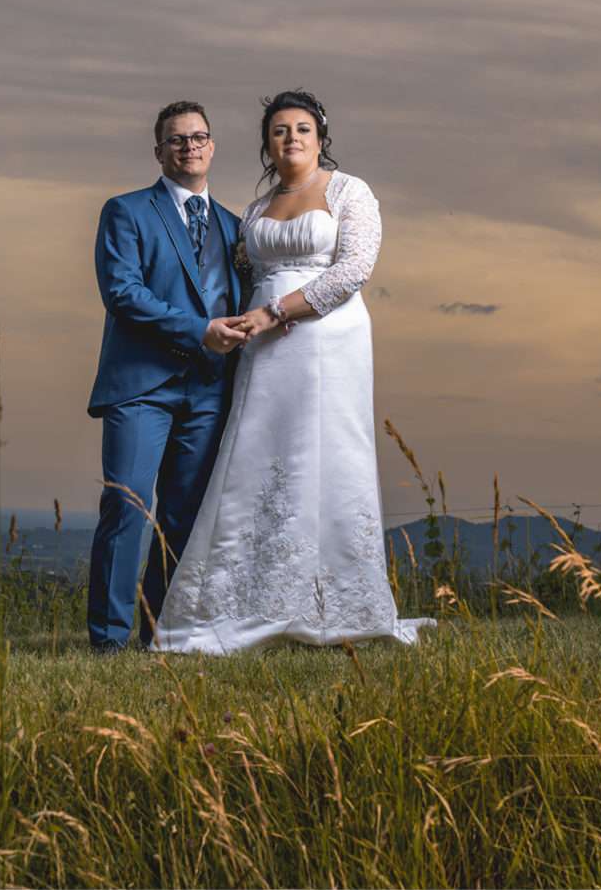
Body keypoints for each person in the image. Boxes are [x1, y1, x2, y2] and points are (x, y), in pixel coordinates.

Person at [151, 90, 436, 652]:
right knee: (259, 456)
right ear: (266, 143)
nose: (292, 139)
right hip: (264, 348)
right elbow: (236, 274)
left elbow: (354, 269)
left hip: (329, 340)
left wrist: (279, 309)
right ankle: (249, 600)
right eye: (279, 130)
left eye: (302, 129)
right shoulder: (255, 211)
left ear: (321, 136)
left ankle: (338, 601)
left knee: (327, 455)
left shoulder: (351, 192)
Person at [86, 100, 250, 653]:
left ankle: (160, 636)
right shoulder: (126, 212)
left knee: (182, 520)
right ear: (158, 151)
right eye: (176, 139)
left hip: (208, 390)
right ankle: (108, 641)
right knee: (129, 507)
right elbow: (124, 294)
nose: (189, 146)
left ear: (213, 146)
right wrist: (199, 330)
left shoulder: (234, 226)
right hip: (141, 386)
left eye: (199, 137)